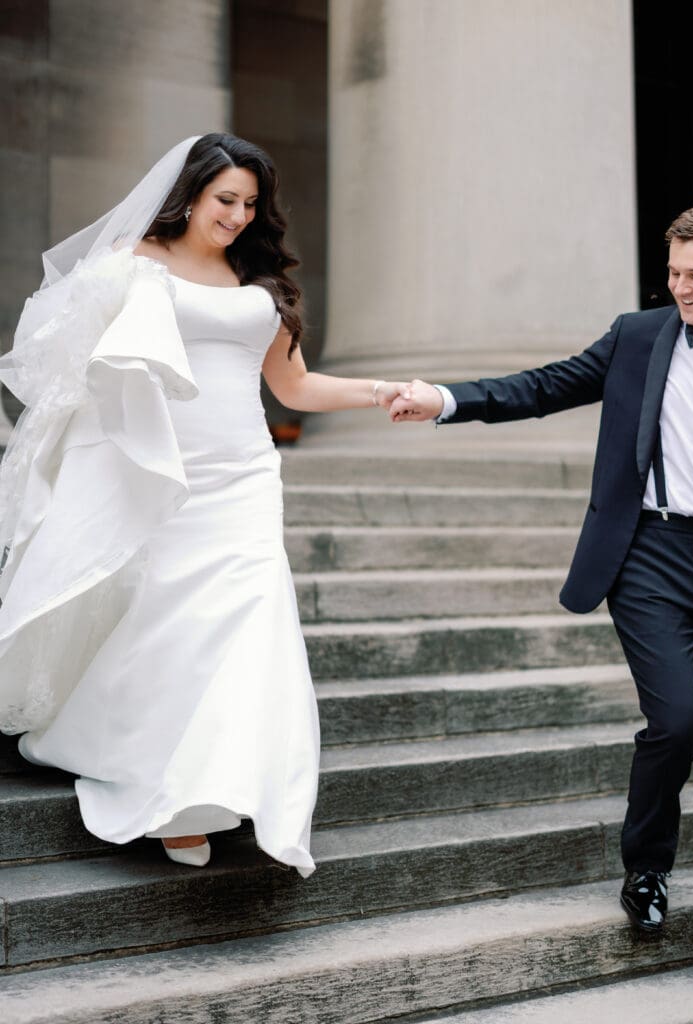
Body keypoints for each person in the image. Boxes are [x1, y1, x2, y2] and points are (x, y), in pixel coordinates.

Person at [389, 205, 693, 1001]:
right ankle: (647, 866)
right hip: (648, 555)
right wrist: (445, 398)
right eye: (672, 273)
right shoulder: (635, 335)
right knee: (678, 720)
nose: (680, 288)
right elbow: (544, 387)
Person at [0, 133, 405, 873]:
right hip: (161, 469)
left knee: (249, 618)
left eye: (251, 204)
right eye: (226, 200)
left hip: (245, 470)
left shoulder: (260, 280)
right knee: (170, 619)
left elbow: (293, 388)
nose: (239, 216)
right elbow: (69, 369)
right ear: (189, 193)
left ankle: (221, 785)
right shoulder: (132, 264)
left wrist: (379, 392)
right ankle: (163, 782)